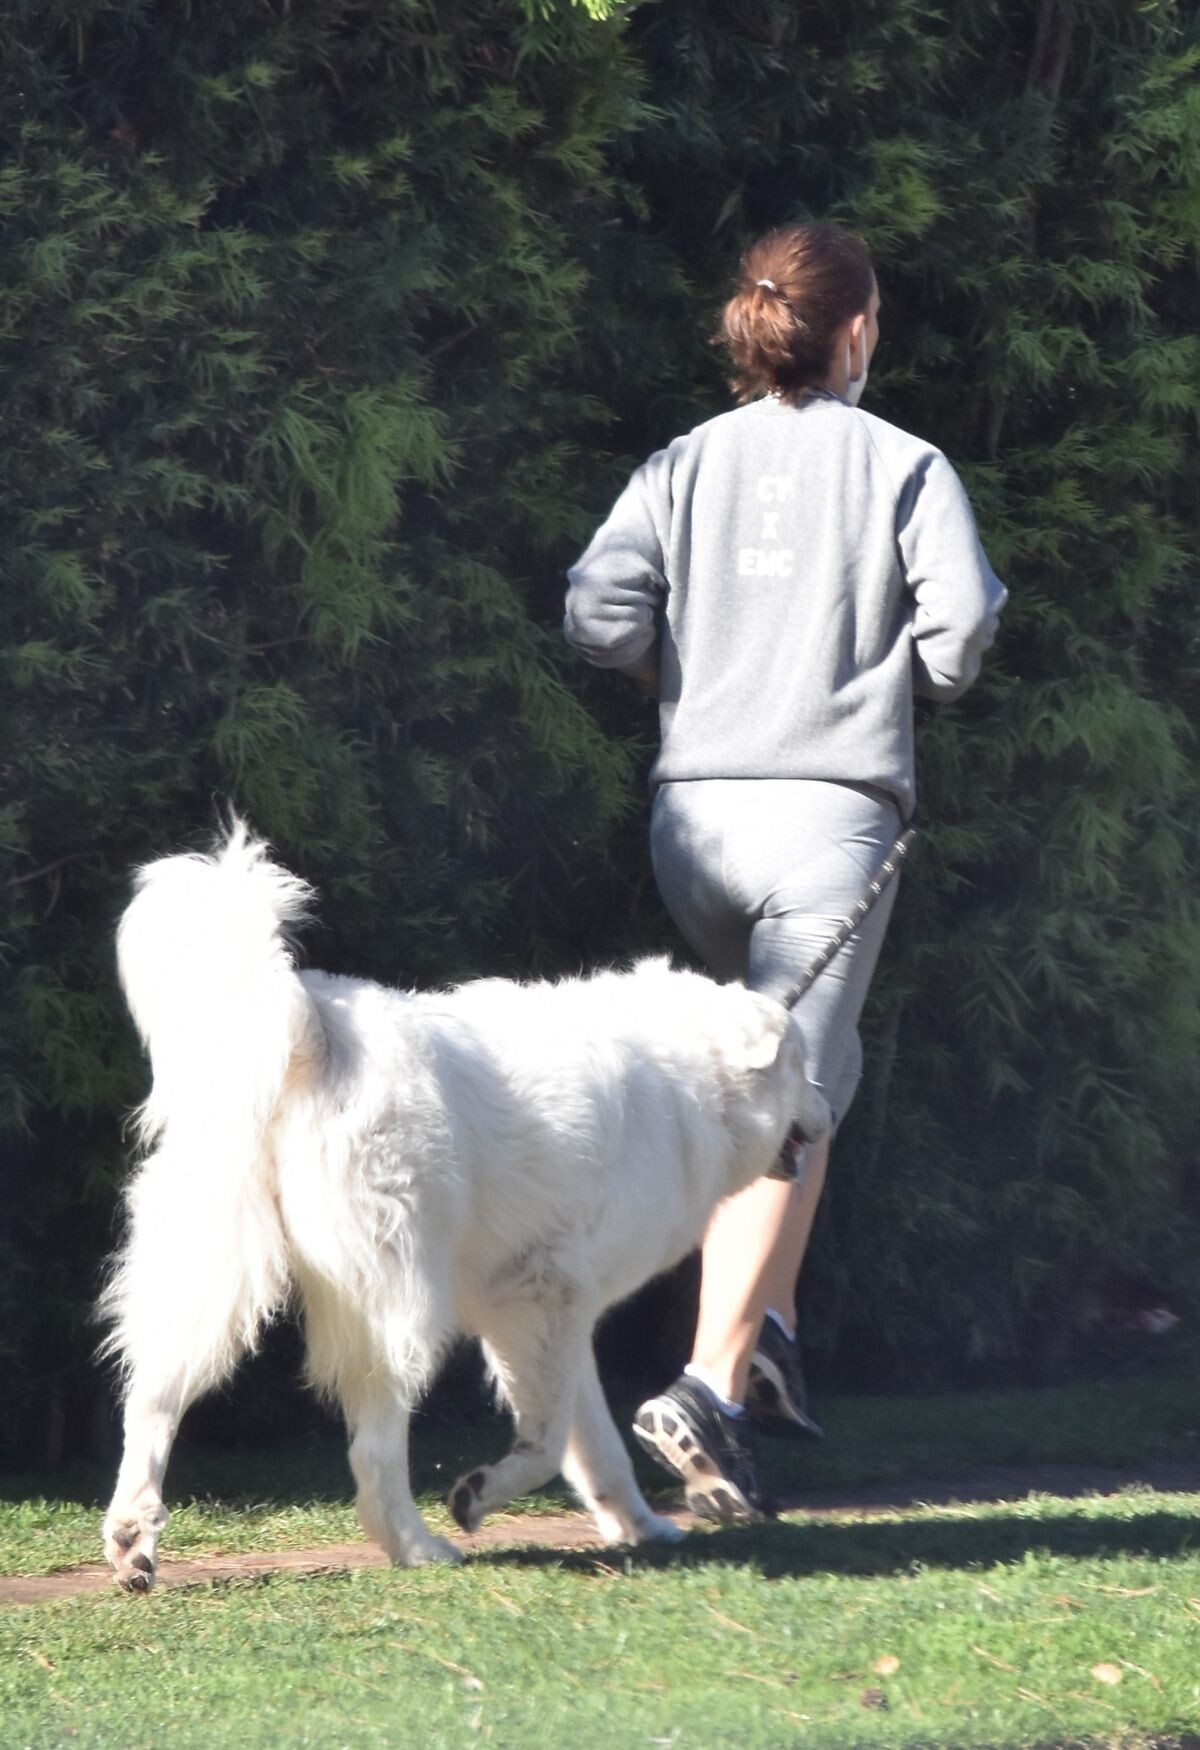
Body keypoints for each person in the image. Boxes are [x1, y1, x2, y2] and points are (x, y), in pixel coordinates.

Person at [563, 222, 1006, 1523]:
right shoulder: (904, 464)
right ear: (856, 330)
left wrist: (695, 678)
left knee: (813, 1072)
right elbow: (962, 638)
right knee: (780, 1096)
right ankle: (707, 1383)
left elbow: (595, 613)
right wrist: (875, 678)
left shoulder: (684, 461)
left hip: (690, 828)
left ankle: (772, 1334)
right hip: (828, 829)